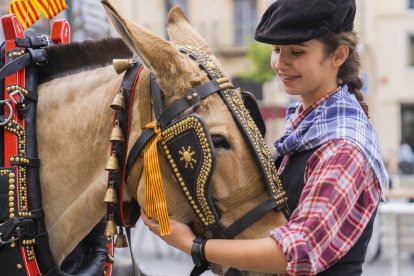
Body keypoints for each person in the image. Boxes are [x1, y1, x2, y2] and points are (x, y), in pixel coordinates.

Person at [141, 0, 388, 275]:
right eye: (276, 49)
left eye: (296, 51)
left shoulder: (343, 146)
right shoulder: (308, 124)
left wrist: (193, 245)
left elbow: (296, 252)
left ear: (338, 55)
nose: (281, 63)